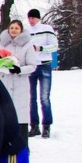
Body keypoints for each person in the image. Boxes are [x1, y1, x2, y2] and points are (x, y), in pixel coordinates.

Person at [0, 19, 36, 143]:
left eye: (17, 28)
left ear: (21, 30)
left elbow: (32, 66)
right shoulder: (1, 44)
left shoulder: (28, 45)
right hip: (4, 81)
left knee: (21, 114)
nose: (14, 30)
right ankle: (5, 143)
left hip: (20, 83)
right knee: (4, 112)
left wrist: (19, 70)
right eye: (12, 28)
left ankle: (23, 144)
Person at [26, 8, 58, 138]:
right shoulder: (26, 32)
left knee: (44, 97)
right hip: (31, 66)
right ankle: (34, 126)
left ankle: (47, 126)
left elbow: (55, 46)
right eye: (29, 18)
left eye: (33, 18)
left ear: (38, 18)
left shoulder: (47, 29)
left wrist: (41, 48)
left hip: (44, 65)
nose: (31, 20)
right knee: (31, 98)